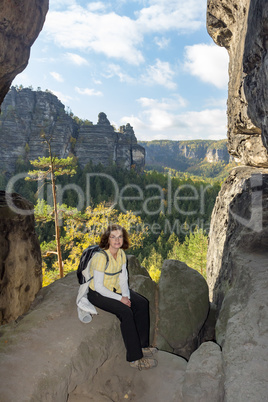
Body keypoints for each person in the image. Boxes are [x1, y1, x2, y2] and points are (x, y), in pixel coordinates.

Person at [87, 224, 158, 370]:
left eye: (119, 236)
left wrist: (126, 296)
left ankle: (142, 345)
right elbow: (99, 287)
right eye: (113, 237)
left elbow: (123, 278)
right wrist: (121, 300)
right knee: (126, 313)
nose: (117, 240)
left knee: (142, 303)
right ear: (107, 239)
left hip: (115, 289)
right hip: (98, 293)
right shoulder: (101, 257)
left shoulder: (121, 255)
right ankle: (135, 358)